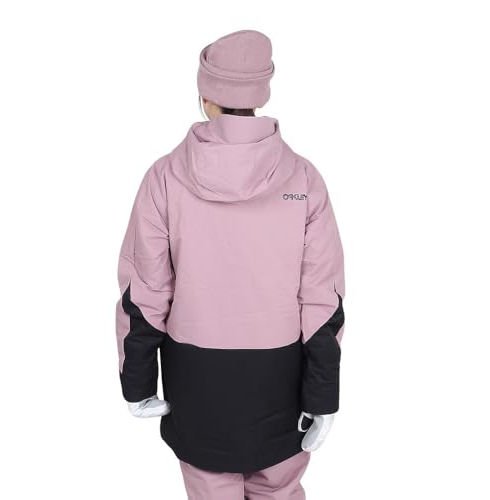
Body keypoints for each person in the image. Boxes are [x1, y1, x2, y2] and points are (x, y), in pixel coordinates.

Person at [115, 29, 346, 500]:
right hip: (282, 378)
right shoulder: (304, 179)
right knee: (279, 489)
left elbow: (146, 288)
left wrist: (137, 380)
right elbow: (323, 296)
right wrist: (322, 393)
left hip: (196, 380)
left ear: (206, 96)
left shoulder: (164, 178)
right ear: (261, 94)